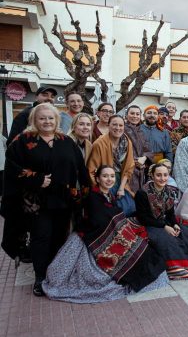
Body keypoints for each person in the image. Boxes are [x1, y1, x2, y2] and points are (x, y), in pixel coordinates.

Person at [42, 166, 168, 303]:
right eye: (105, 176)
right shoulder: (92, 197)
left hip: (109, 235)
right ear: (97, 179)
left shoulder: (109, 196)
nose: (109, 179)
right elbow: (99, 222)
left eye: (112, 176)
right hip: (91, 238)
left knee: (145, 254)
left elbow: (111, 219)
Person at [3, 103, 89, 296]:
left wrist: (87, 194)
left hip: (63, 200)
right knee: (41, 237)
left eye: (51, 118)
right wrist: (36, 179)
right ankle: (40, 277)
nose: (47, 121)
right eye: (42, 118)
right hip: (36, 202)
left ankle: (55, 273)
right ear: (35, 120)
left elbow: (80, 169)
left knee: (59, 236)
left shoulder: (66, 141)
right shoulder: (23, 141)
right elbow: (11, 167)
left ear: (57, 120)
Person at [135, 163, 188, 279]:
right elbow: (144, 218)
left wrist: (175, 224)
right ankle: (180, 268)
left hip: (164, 223)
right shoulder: (142, 193)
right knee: (168, 241)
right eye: (158, 175)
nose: (162, 178)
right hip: (150, 225)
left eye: (165, 175)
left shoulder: (169, 191)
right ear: (152, 176)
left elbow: (170, 213)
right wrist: (165, 227)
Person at [87, 115, 136, 215]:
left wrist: (122, 188)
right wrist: (101, 191)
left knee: (130, 207)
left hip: (121, 180)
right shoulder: (99, 143)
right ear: (108, 125)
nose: (117, 128)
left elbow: (129, 167)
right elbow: (91, 170)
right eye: (114, 124)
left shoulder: (127, 142)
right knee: (113, 210)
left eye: (120, 125)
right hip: (104, 181)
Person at [124, 105, 152, 195]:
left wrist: (144, 158)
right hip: (127, 168)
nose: (135, 116)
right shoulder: (122, 129)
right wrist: (136, 161)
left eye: (137, 114)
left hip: (141, 169)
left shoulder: (141, 131)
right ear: (126, 115)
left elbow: (148, 149)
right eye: (132, 113)